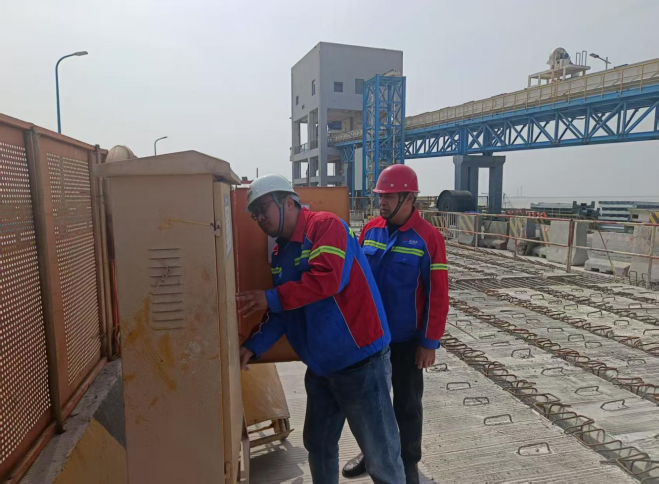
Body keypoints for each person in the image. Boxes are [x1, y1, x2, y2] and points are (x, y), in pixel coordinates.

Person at [237, 174, 405, 484]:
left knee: (381, 455)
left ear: (288, 202)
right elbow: (285, 307)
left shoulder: (326, 226)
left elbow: (328, 280)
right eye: (254, 213)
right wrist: (253, 345)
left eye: (263, 208)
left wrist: (270, 298)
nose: (259, 218)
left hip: (359, 362)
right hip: (322, 366)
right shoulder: (281, 253)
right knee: (318, 443)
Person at [342, 165, 449, 484]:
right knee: (369, 405)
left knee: (407, 404)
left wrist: (429, 342)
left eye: (389, 197)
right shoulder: (370, 230)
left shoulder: (428, 238)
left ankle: (409, 461)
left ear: (409, 197)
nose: (382, 203)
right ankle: (372, 454)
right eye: (380, 196)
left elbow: (438, 295)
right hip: (370, 338)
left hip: (406, 342)